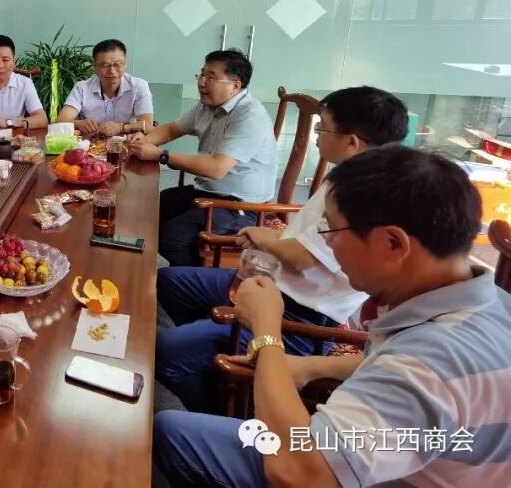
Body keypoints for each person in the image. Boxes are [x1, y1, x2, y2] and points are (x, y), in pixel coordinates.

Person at [154, 146, 511, 488]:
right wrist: (312, 366)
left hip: (328, 472)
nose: (328, 244)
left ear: (393, 243)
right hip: (374, 458)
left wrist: (266, 332)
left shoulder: (431, 362)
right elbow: (400, 369)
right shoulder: (488, 303)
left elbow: (300, 474)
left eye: (332, 231)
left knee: (169, 432)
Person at [155, 86, 409, 414]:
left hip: (301, 314)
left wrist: (264, 237)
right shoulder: (350, 175)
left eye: (322, 128)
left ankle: (223, 407)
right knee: (170, 282)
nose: (315, 137)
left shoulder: (368, 196)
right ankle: (208, 353)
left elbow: (304, 257)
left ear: (351, 142)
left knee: (165, 352)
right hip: (274, 278)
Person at [128, 49, 277, 266]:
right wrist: (144, 141)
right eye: (202, 74)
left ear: (235, 85)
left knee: (172, 238)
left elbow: (217, 169)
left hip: (243, 206)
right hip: (208, 191)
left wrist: (161, 155)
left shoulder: (250, 115)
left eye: (211, 77)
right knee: (150, 206)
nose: (201, 82)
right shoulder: (206, 106)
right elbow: (171, 129)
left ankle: (195, 278)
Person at [55, 39, 154, 137]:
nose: (112, 71)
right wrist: (80, 124)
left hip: (127, 145)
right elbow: (60, 122)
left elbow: (148, 126)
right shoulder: (82, 88)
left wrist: (121, 127)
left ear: (125, 64)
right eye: (105, 65)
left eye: (118, 64)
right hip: (90, 145)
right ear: (94, 65)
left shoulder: (139, 87)